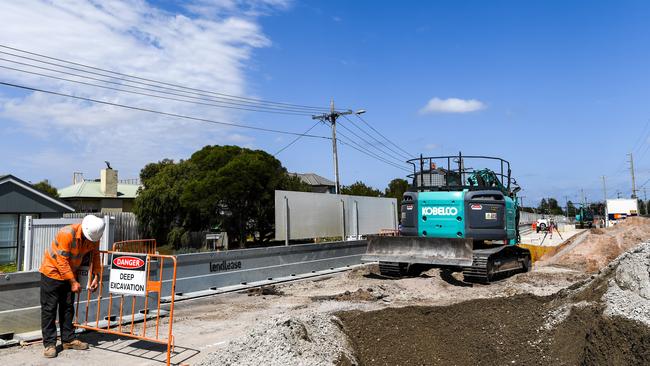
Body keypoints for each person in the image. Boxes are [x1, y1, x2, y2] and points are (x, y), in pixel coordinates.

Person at [39, 215, 105, 358]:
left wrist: (97, 276)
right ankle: (50, 344)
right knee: (49, 309)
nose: (90, 242)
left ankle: (68, 339)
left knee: (68, 307)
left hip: (70, 274)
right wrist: (73, 282)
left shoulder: (94, 236)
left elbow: (95, 256)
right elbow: (61, 262)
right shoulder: (66, 234)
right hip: (52, 273)